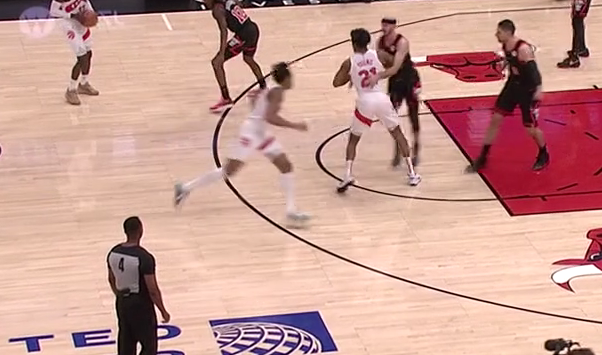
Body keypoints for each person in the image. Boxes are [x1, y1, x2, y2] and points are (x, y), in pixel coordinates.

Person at [174, 62, 311, 225]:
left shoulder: (270, 86)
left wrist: (257, 109)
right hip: (251, 133)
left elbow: (252, 99)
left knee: (286, 166)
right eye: (291, 78)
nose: (292, 81)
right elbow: (270, 117)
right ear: (285, 78)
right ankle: (185, 188)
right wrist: (295, 125)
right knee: (229, 170)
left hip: (260, 132)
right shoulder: (277, 92)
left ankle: (290, 211)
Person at [333, 28, 422, 190]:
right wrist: (381, 73)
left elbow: (336, 82)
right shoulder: (379, 55)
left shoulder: (349, 62)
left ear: (353, 43)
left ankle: (347, 175)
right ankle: (412, 174)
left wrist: (351, 76)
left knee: (353, 140)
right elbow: (396, 66)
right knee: (398, 134)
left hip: (365, 101)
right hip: (381, 99)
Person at [466, 19, 548, 172]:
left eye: (499, 32)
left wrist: (538, 90)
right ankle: (483, 157)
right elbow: (514, 63)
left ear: (508, 33)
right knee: (495, 118)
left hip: (528, 90)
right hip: (513, 85)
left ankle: (543, 153)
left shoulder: (523, 49)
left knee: (530, 128)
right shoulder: (505, 45)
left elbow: (534, 73)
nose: (496, 35)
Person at [107, 216, 169, 355]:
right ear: (140, 231)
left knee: (125, 348)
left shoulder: (113, 252)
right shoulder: (144, 258)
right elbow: (152, 289)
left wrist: (119, 295)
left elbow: (111, 279)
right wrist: (163, 310)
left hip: (122, 303)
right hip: (140, 305)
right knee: (148, 349)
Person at [206, 0, 267, 112]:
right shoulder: (228, 1)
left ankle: (226, 98)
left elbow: (224, 31)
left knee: (216, 63)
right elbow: (239, 4)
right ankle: (263, 87)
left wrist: (221, 53)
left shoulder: (217, 9)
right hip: (253, 28)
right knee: (248, 59)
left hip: (244, 34)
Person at [49, 0, 99, 106]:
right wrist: (72, 15)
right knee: (82, 56)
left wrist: (92, 13)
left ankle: (84, 83)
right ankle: (71, 90)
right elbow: (53, 11)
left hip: (81, 21)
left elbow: (86, 1)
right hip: (68, 24)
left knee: (89, 53)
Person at [378, 17, 422, 166]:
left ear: (394, 26)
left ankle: (416, 149)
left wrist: (377, 76)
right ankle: (397, 149)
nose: (384, 28)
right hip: (395, 82)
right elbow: (384, 64)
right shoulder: (380, 42)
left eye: (387, 25)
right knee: (393, 117)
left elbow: (394, 67)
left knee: (413, 115)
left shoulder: (402, 42)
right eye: (383, 25)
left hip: (409, 80)